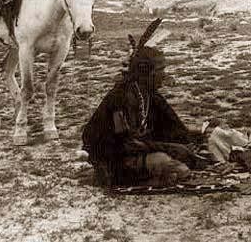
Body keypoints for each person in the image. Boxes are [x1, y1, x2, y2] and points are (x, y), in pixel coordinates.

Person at [82, 18, 207, 187]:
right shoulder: (121, 98)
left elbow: (171, 126)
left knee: (185, 157)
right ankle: (137, 179)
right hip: (113, 160)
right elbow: (127, 144)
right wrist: (170, 148)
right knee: (173, 166)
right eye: (160, 71)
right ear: (146, 73)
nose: (164, 75)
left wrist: (190, 140)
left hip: (134, 152)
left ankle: (153, 176)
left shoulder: (148, 95)